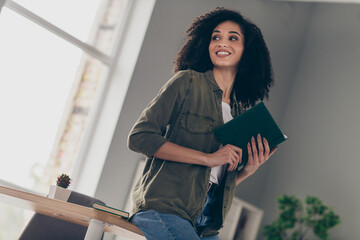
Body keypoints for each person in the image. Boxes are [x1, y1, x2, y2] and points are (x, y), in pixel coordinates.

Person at [127, 7, 277, 240]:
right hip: (162, 207)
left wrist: (246, 171)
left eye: (232, 38)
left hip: (203, 221)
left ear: (247, 51)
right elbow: (140, 137)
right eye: (215, 37)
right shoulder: (186, 82)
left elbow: (213, 178)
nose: (221, 42)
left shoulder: (238, 111)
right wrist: (208, 157)